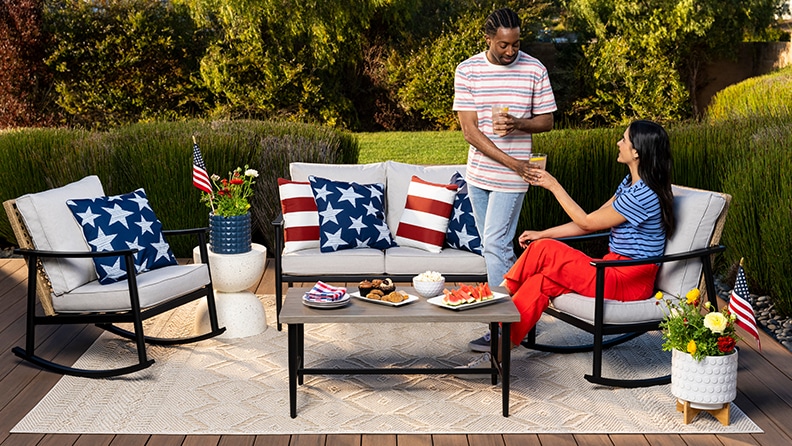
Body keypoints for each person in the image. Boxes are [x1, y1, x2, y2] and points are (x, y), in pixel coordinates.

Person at [457, 120, 676, 374]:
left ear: (637, 151)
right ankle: (498, 352)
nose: (619, 143)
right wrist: (543, 233)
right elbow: (590, 223)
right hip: (612, 267)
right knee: (540, 281)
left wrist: (553, 185)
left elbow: (587, 221)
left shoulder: (644, 195)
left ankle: (499, 298)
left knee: (544, 250)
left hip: (628, 279)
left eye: (624, 139)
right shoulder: (630, 184)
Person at [453, 7, 557, 352]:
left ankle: (501, 328)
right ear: (488, 39)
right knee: (494, 248)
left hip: (515, 176)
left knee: (495, 244)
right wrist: (510, 160)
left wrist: (519, 125)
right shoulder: (467, 70)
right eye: (503, 45)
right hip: (481, 174)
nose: (510, 52)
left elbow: (547, 121)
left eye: (514, 44)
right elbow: (470, 131)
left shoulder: (533, 69)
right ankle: (523, 317)